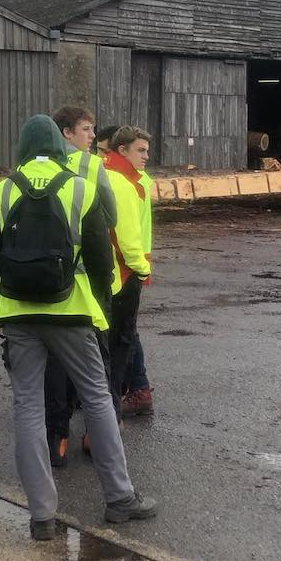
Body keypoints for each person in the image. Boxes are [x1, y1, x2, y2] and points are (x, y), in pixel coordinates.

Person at [0, 115, 156, 538]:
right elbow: (99, 262)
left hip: (19, 315)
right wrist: (101, 313)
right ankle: (119, 498)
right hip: (71, 312)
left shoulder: (3, 191)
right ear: (60, 146)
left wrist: (3, 304)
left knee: (27, 407)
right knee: (96, 398)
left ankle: (41, 516)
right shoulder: (81, 187)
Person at [45, 105, 119, 466]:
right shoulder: (91, 167)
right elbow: (111, 216)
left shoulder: (34, 169)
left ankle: (57, 438)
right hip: (85, 279)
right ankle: (94, 435)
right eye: (87, 130)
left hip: (46, 279)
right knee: (96, 361)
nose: (93, 137)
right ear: (66, 133)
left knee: (55, 363)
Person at [104, 126, 154, 413]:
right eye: (141, 150)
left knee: (122, 338)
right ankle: (125, 395)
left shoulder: (138, 179)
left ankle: (132, 390)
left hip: (127, 269)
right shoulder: (123, 181)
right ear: (122, 149)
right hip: (124, 271)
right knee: (121, 339)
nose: (146, 156)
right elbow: (126, 235)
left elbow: (138, 230)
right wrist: (141, 267)